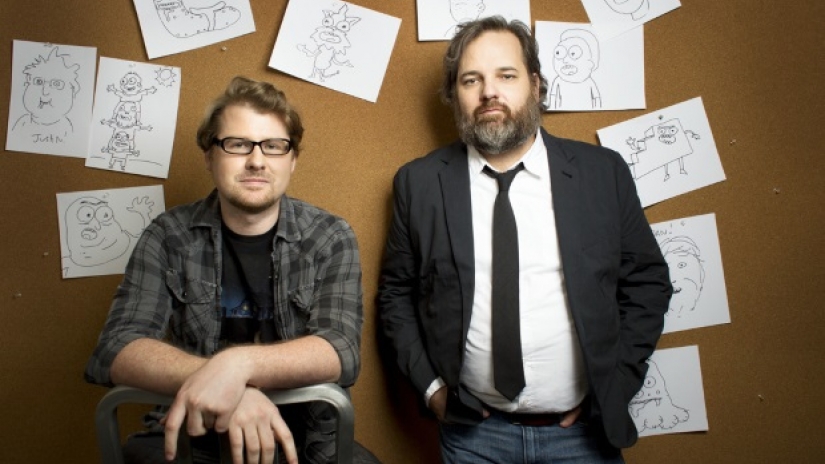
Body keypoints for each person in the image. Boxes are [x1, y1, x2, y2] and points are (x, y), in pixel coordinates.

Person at [377, 16, 672, 463]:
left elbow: (647, 283)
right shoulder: (418, 184)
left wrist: (616, 383)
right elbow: (395, 294)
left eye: (506, 75)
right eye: (471, 79)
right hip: (472, 436)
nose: (489, 92)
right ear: (454, 94)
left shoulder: (601, 173)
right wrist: (432, 389)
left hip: (583, 438)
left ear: (535, 85)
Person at [85, 76, 368, 464]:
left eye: (273, 146)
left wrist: (237, 365)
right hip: (195, 433)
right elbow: (116, 348)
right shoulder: (168, 236)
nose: (256, 160)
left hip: (307, 438)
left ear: (292, 160)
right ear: (209, 156)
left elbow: (341, 351)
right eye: (237, 144)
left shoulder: (329, 236)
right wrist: (226, 387)